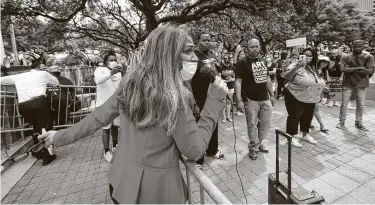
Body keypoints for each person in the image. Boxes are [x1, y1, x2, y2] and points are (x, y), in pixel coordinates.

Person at [37, 25, 228, 204]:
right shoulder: (175, 100)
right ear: (168, 55)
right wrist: (213, 103)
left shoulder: (129, 84)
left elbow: (97, 118)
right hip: (157, 194)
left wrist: (59, 136)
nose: (195, 57)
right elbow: (194, 151)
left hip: (120, 183)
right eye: (188, 51)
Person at [0, 61, 58, 165]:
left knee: (36, 126)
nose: (46, 69)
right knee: (45, 128)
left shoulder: (19, 76)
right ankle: (47, 156)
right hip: (39, 102)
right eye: (44, 67)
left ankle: (37, 151)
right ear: (38, 68)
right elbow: (56, 82)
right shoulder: (43, 74)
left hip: (24, 106)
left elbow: (2, 80)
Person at [188, 33, 225, 167]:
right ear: (197, 42)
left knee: (213, 124)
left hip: (212, 98)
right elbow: (188, 82)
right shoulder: (193, 57)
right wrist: (194, 104)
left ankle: (212, 150)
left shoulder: (209, 56)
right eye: (204, 40)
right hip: (199, 100)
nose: (207, 42)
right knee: (200, 128)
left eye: (209, 40)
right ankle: (198, 158)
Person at [235, 38, 275, 160]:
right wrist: (238, 99)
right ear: (247, 48)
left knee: (265, 123)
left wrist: (272, 94)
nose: (254, 49)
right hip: (250, 99)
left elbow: (267, 78)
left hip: (265, 98)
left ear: (260, 47)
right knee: (252, 124)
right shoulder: (242, 62)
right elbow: (238, 81)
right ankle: (253, 147)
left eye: (256, 46)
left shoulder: (263, 60)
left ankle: (259, 142)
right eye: (251, 47)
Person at [282, 48, 325, 147]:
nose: (307, 57)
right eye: (305, 55)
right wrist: (297, 66)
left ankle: (305, 134)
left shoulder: (312, 67)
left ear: (314, 57)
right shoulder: (294, 65)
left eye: (310, 55)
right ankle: (290, 136)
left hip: (310, 96)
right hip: (294, 95)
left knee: (307, 116)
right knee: (295, 116)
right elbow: (287, 77)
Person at [336, 40, 375, 131]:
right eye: (355, 46)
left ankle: (358, 122)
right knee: (344, 104)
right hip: (348, 82)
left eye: (359, 46)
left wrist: (349, 69)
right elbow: (342, 69)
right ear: (352, 46)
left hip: (361, 83)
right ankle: (341, 121)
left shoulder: (369, 56)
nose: (357, 48)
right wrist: (360, 68)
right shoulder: (346, 56)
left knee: (360, 104)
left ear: (363, 46)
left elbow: (369, 71)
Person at [94, 51, 123, 163]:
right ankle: (106, 151)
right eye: (111, 60)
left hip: (115, 104)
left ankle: (115, 145)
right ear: (106, 61)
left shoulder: (118, 73)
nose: (114, 62)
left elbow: (119, 87)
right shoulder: (100, 70)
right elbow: (98, 81)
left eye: (115, 59)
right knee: (106, 128)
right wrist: (111, 73)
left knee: (115, 126)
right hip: (103, 105)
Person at [311, 56, 330, 133]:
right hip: (312, 91)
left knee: (313, 108)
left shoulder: (324, 70)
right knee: (315, 108)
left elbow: (326, 81)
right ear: (319, 61)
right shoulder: (313, 69)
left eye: (326, 63)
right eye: (323, 62)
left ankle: (309, 122)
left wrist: (324, 87)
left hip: (319, 91)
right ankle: (322, 125)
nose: (324, 64)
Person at [219, 54, 235, 123]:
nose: (226, 59)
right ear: (223, 59)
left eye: (228, 58)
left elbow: (235, 78)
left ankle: (228, 116)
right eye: (225, 58)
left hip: (231, 86)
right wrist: (225, 81)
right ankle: (224, 117)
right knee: (223, 101)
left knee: (229, 102)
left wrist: (231, 79)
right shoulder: (221, 67)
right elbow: (219, 78)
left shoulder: (233, 67)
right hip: (223, 86)